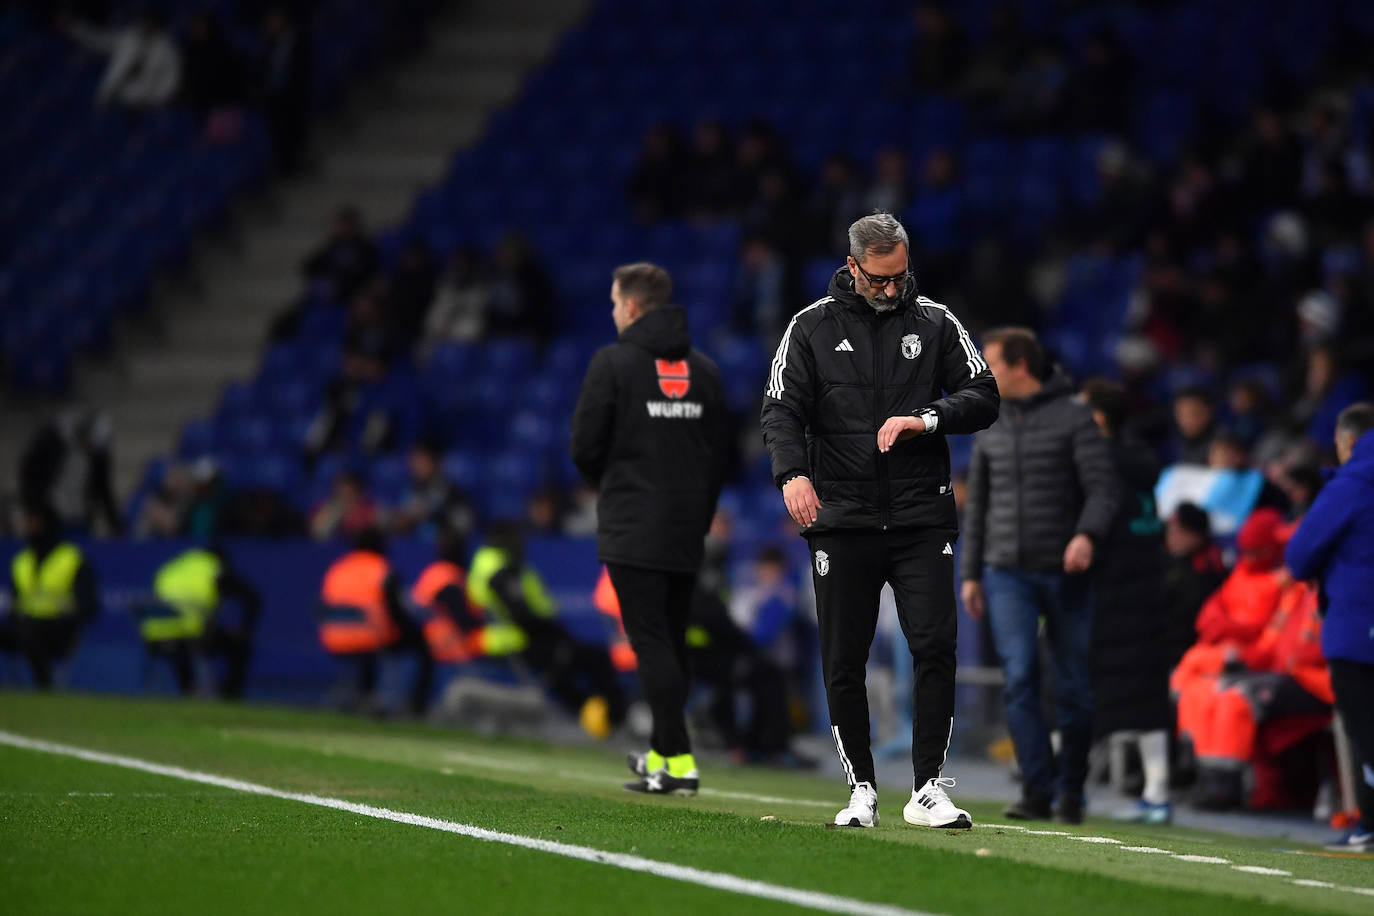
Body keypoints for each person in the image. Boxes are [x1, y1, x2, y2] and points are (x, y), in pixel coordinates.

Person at [761, 212, 1000, 829]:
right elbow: (781, 408)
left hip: (922, 517)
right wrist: (792, 475)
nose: (894, 290)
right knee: (844, 657)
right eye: (880, 280)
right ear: (853, 268)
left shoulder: (938, 322)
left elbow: (985, 396)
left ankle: (927, 789)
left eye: (901, 278)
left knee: (935, 648)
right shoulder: (809, 327)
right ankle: (861, 788)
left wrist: (928, 418)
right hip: (841, 518)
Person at [570, 261, 728, 795]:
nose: (615, 313)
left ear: (632, 307)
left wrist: (614, 485)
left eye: (616, 303)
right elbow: (720, 456)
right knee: (670, 641)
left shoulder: (613, 363)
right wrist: (698, 512)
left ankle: (678, 763)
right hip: (686, 527)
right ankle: (664, 753)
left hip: (633, 524)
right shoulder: (705, 370)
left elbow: (585, 445)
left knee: (651, 641)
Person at [960, 327, 1118, 824]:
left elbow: (1102, 488)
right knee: (1020, 678)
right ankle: (1036, 787)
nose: (985, 373)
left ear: (1021, 366)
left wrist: (1086, 535)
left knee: (1072, 685)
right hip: (1006, 572)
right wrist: (970, 573)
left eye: (993, 365)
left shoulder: (1074, 416)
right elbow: (978, 502)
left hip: (1065, 570)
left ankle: (1072, 789)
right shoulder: (989, 420)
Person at [1082, 378, 1173, 824]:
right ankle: (1156, 793)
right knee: (1145, 694)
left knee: (1078, 687)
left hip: (1108, 589)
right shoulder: (1143, 462)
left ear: (1100, 419)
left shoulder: (1101, 466)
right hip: (1149, 587)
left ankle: (1070, 787)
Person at [1285, 402, 1374, 851]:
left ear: (1349, 443)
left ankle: (1371, 822)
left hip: (1358, 626)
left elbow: (1299, 554)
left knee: (1364, 728)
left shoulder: (1353, 483)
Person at [466, 524, 627, 739]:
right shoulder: (500, 570)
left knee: (571, 663)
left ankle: (594, 717)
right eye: (517, 539)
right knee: (586, 660)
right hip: (517, 641)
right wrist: (554, 630)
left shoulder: (490, 565)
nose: (522, 545)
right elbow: (520, 615)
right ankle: (610, 717)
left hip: (521, 639)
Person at [316, 528, 432, 715]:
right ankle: (415, 705)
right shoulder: (382, 570)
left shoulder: (338, 568)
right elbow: (396, 613)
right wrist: (415, 632)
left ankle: (363, 696)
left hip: (333, 636)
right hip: (369, 638)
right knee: (422, 645)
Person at [140, 546, 261, 699]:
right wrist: (244, 628)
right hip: (192, 636)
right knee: (239, 646)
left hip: (156, 637)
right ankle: (228, 696)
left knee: (181, 646)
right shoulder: (215, 569)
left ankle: (189, 690)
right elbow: (252, 597)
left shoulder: (171, 568)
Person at [1, 501, 98, 688]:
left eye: (33, 521)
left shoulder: (71, 558)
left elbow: (89, 604)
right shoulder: (22, 561)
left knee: (31, 633)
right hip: (25, 626)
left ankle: (44, 687)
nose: (27, 526)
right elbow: (14, 603)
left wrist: (69, 620)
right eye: (27, 521)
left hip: (60, 630)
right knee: (25, 631)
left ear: (46, 523)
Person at [63, 10, 182, 109]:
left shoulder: (167, 51)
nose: (148, 26)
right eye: (146, 22)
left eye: (153, 23)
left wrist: (152, 101)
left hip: (143, 105)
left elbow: (170, 81)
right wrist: (74, 28)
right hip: (116, 98)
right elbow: (99, 40)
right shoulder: (128, 39)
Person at [1162, 502, 1227, 668]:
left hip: (1183, 653)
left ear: (1195, 536)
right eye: (1171, 530)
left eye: (1178, 532)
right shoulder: (1173, 561)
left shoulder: (1206, 570)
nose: (1171, 537)